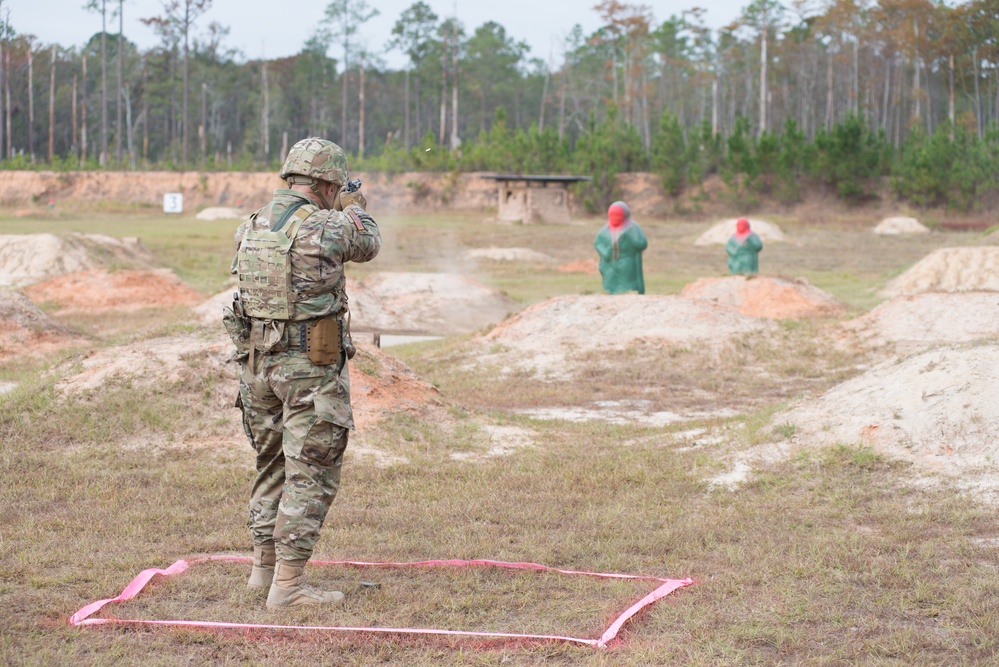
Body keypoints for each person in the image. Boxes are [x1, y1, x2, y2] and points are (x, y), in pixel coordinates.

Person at [224, 137, 381, 610]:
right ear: (328, 184)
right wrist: (355, 207)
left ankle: (262, 572)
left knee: (271, 464)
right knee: (311, 471)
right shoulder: (328, 225)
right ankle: (288, 587)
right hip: (309, 368)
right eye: (337, 187)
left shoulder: (250, 225)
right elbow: (369, 242)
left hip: (257, 364)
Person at [594, 201, 648, 294]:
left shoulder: (632, 228)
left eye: (618, 215)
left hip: (627, 262)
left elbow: (642, 243)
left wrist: (630, 238)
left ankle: (630, 296)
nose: (615, 218)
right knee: (610, 283)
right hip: (609, 265)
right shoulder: (605, 230)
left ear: (624, 215)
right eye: (612, 215)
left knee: (628, 284)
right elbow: (597, 243)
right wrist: (604, 253)